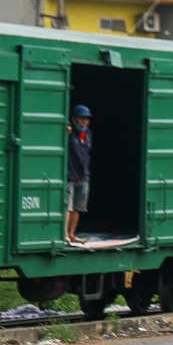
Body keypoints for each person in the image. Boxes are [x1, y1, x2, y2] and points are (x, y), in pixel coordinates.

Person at [65, 104, 92, 246]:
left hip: (83, 176)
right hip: (70, 174)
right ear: (74, 119)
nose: (84, 122)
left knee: (78, 207)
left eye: (86, 119)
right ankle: (65, 235)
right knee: (68, 207)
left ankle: (72, 234)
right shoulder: (69, 134)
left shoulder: (88, 134)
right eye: (81, 119)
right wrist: (67, 134)